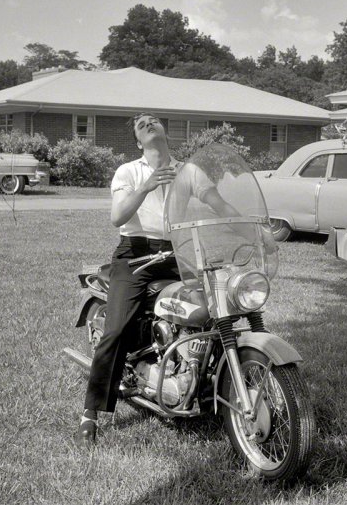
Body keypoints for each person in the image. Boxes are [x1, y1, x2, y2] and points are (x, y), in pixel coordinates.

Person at [79, 112, 232, 445]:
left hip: (176, 252)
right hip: (135, 254)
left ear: (165, 131)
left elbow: (217, 203)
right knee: (117, 329)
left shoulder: (189, 171)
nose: (147, 123)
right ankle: (90, 412)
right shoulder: (129, 171)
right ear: (138, 141)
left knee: (216, 310)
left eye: (153, 120)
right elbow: (118, 215)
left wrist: (248, 224)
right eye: (140, 124)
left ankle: (207, 378)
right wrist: (147, 186)